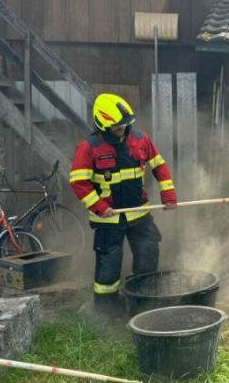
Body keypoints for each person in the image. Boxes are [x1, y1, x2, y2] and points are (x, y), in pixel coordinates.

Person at [69, 93, 177, 316]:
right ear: (103, 125)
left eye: (126, 125)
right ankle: (106, 312)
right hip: (108, 219)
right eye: (118, 127)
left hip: (140, 214)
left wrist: (168, 194)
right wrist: (99, 206)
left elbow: (159, 165)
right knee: (108, 270)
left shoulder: (140, 139)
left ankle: (143, 306)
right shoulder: (88, 147)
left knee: (148, 259)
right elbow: (79, 182)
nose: (123, 130)